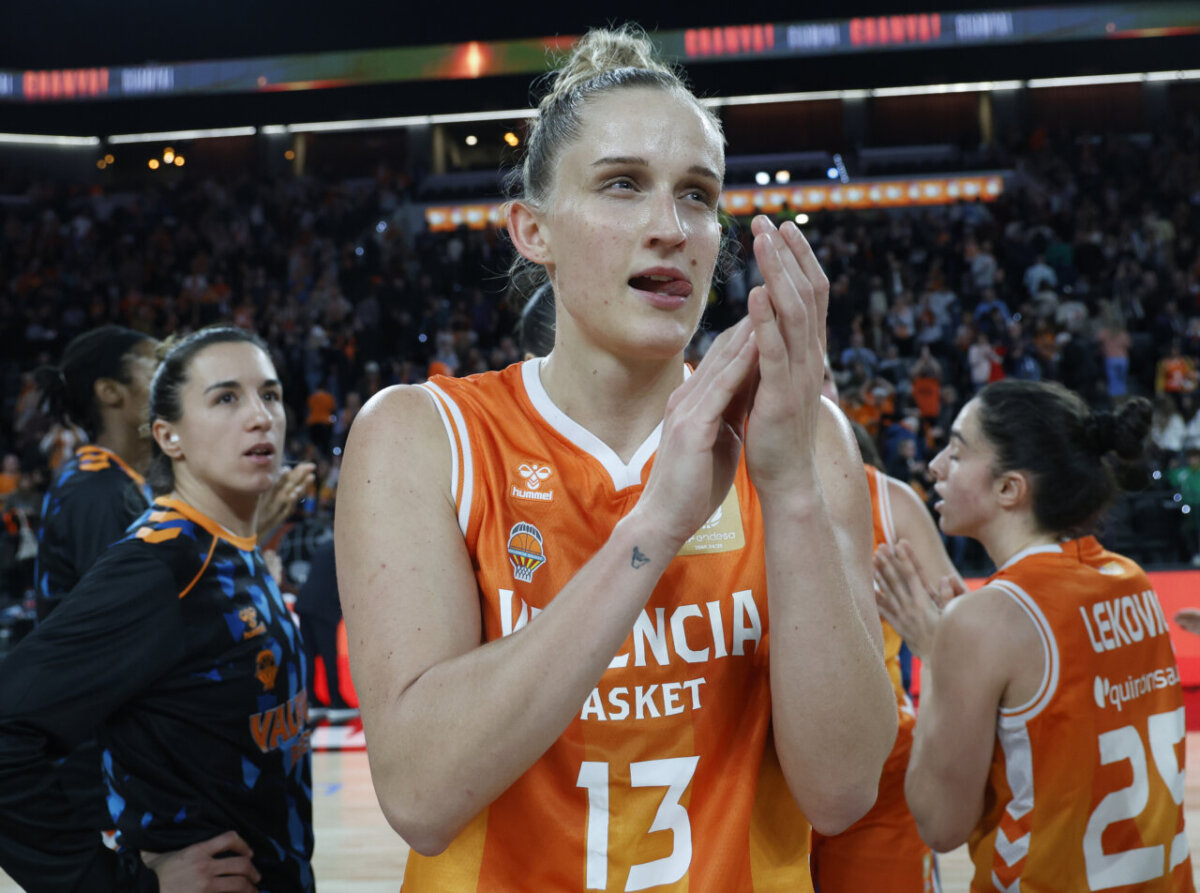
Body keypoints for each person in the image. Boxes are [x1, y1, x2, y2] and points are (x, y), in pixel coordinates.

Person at [336, 26, 895, 891]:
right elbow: (421, 790)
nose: (670, 228)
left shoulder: (803, 437)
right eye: (623, 185)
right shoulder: (420, 433)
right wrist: (655, 526)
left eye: (698, 195)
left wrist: (785, 490)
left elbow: (842, 789)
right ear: (533, 229)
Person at [0, 327, 315, 891]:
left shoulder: (223, 547)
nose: (261, 415)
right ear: (169, 437)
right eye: (225, 398)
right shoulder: (157, 562)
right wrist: (122, 886)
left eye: (270, 394)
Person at [874, 379, 1194, 891]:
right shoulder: (1130, 579)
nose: (934, 468)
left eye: (955, 453)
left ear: (1009, 489)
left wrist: (934, 653)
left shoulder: (987, 619)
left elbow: (939, 824)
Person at [810, 362, 961, 893]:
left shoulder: (893, 502)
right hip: (755, 770)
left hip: (883, 765)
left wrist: (936, 636)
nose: (810, 382)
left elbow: (959, 637)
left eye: (825, 374)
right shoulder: (713, 495)